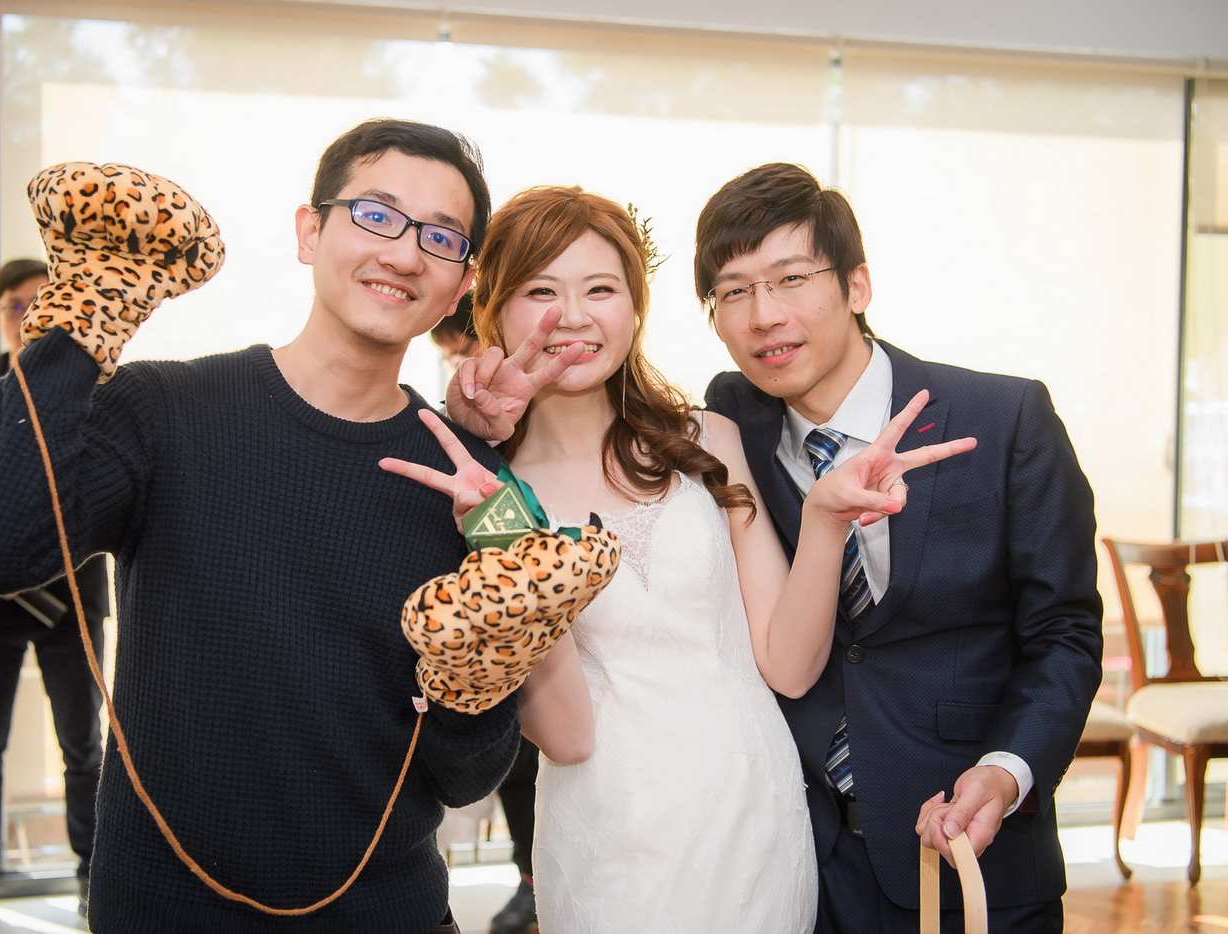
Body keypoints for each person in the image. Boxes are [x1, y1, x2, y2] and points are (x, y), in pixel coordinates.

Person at [0, 120, 575, 933]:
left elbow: (465, 775)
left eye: (440, 237)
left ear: (461, 284)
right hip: (163, 914)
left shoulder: (465, 481)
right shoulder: (167, 411)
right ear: (310, 231)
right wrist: (80, 322)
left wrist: (489, 658)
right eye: (376, 215)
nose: (405, 254)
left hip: (385, 913)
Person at [430, 185, 972, 932]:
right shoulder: (485, 494)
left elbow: (789, 666)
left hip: (754, 812)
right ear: (492, 310)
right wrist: (512, 550)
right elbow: (568, 737)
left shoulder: (708, 440)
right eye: (541, 291)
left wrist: (824, 520)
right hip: (608, 832)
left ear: (635, 309)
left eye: (600, 290)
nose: (574, 316)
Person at [697, 164, 1102, 931]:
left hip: (968, 851)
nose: (764, 316)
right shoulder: (733, 420)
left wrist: (1005, 771)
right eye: (734, 291)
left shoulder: (1004, 418)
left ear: (857, 284)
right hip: (798, 864)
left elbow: (1065, 633)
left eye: (791, 279)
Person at [0, 259, 110, 932]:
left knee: (82, 745)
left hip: (72, 603)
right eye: (14, 304)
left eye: (41, 301)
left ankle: (94, 875)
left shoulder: (97, 390)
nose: (29, 315)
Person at [429, 293, 539, 934]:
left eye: (464, 348)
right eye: (449, 354)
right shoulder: (463, 434)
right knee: (515, 770)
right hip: (504, 644)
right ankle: (530, 879)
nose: (460, 364)